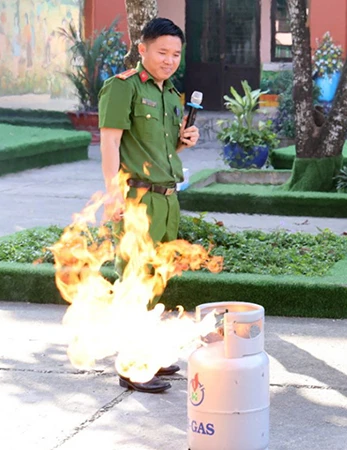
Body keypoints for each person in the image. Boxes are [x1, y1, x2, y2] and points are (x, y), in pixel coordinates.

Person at [98, 18, 200, 393]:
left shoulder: (173, 95)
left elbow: (162, 150)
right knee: (134, 283)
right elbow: (110, 143)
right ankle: (131, 366)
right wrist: (112, 195)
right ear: (142, 50)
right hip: (139, 200)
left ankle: (149, 356)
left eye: (176, 54)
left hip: (168, 199)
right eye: (162, 52)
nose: (170, 60)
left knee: (155, 283)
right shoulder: (122, 88)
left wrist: (184, 143)